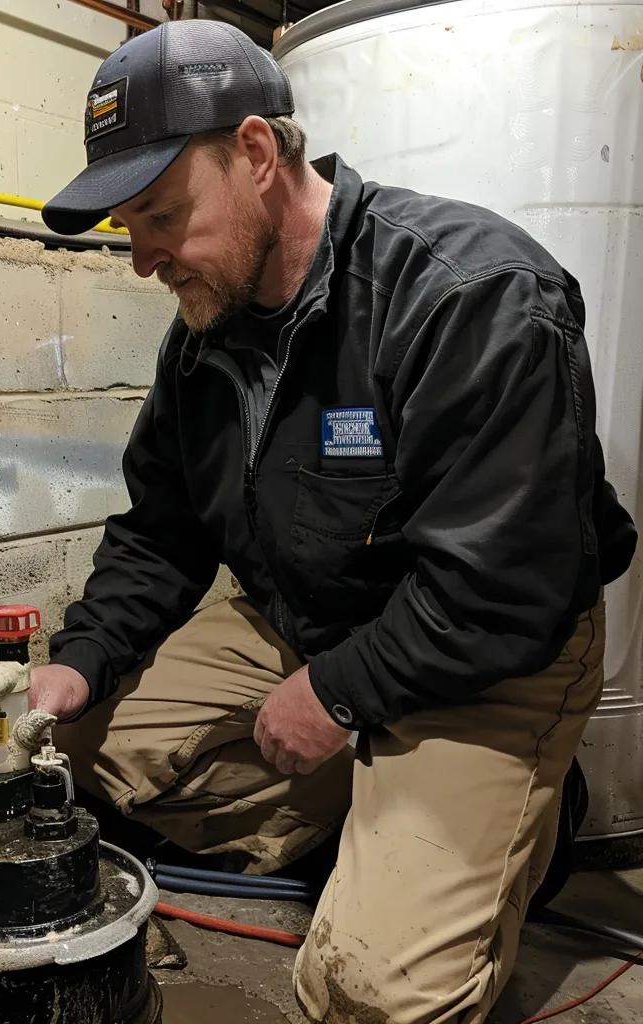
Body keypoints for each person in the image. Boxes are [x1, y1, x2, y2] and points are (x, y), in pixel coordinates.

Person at [32, 19, 636, 1024]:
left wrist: (337, 693)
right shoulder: (206, 334)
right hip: (311, 619)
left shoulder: (468, 296)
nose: (141, 259)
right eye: (126, 227)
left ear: (256, 154)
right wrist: (82, 658)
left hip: (484, 654)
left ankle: (513, 813)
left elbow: (499, 587)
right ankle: (383, 810)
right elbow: (162, 530)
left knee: (370, 995)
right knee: (88, 751)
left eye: (160, 215)